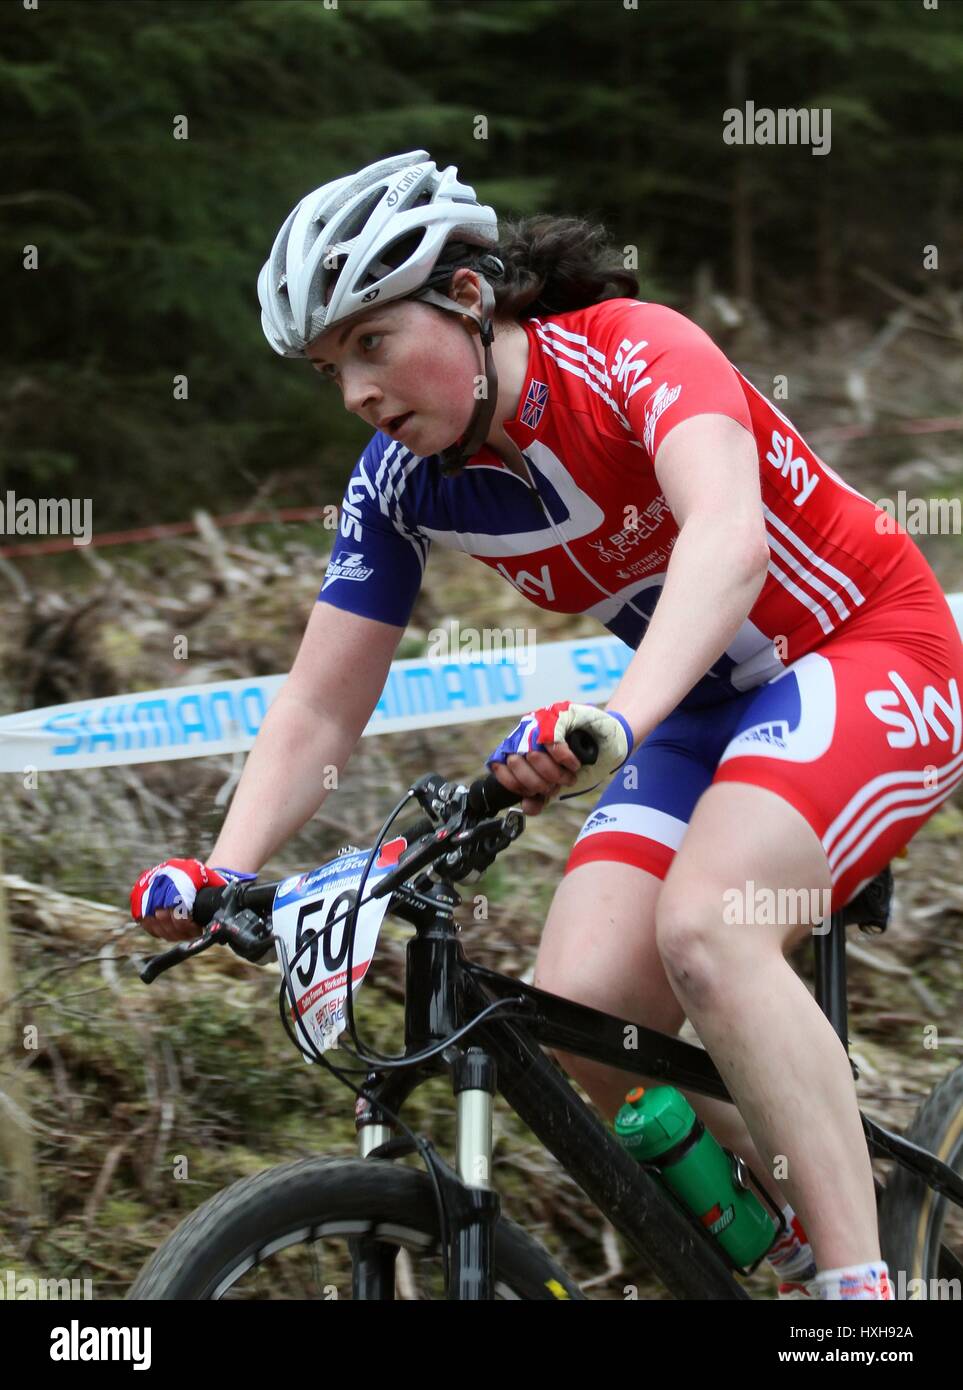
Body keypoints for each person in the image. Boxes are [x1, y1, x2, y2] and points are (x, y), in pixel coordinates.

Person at [130, 150, 963, 1301]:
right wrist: (223, 871)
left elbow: (728, 541)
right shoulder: (399, 482)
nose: (359, 394)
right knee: (578, 1012)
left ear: (468, 297)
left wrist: (617, 716)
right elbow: (325, 697)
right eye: (332, 369)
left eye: (373, 344)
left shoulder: (632, 348)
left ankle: (864, 1301)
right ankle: (795, 1232)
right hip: (701, 709)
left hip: (864, 647)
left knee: (712, 927)